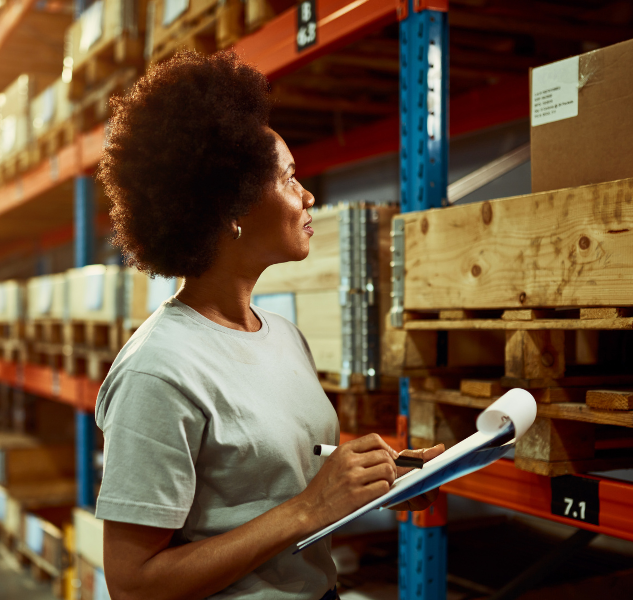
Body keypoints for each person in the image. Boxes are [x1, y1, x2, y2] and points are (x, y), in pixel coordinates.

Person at [94, 50, 444, 600]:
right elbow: (134, 584)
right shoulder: (157, 372)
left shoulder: (282, 335)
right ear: (232, 210)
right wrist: (308, 510)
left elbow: (280, 477)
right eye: (289, 178)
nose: (308, 195)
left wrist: (386, 477)